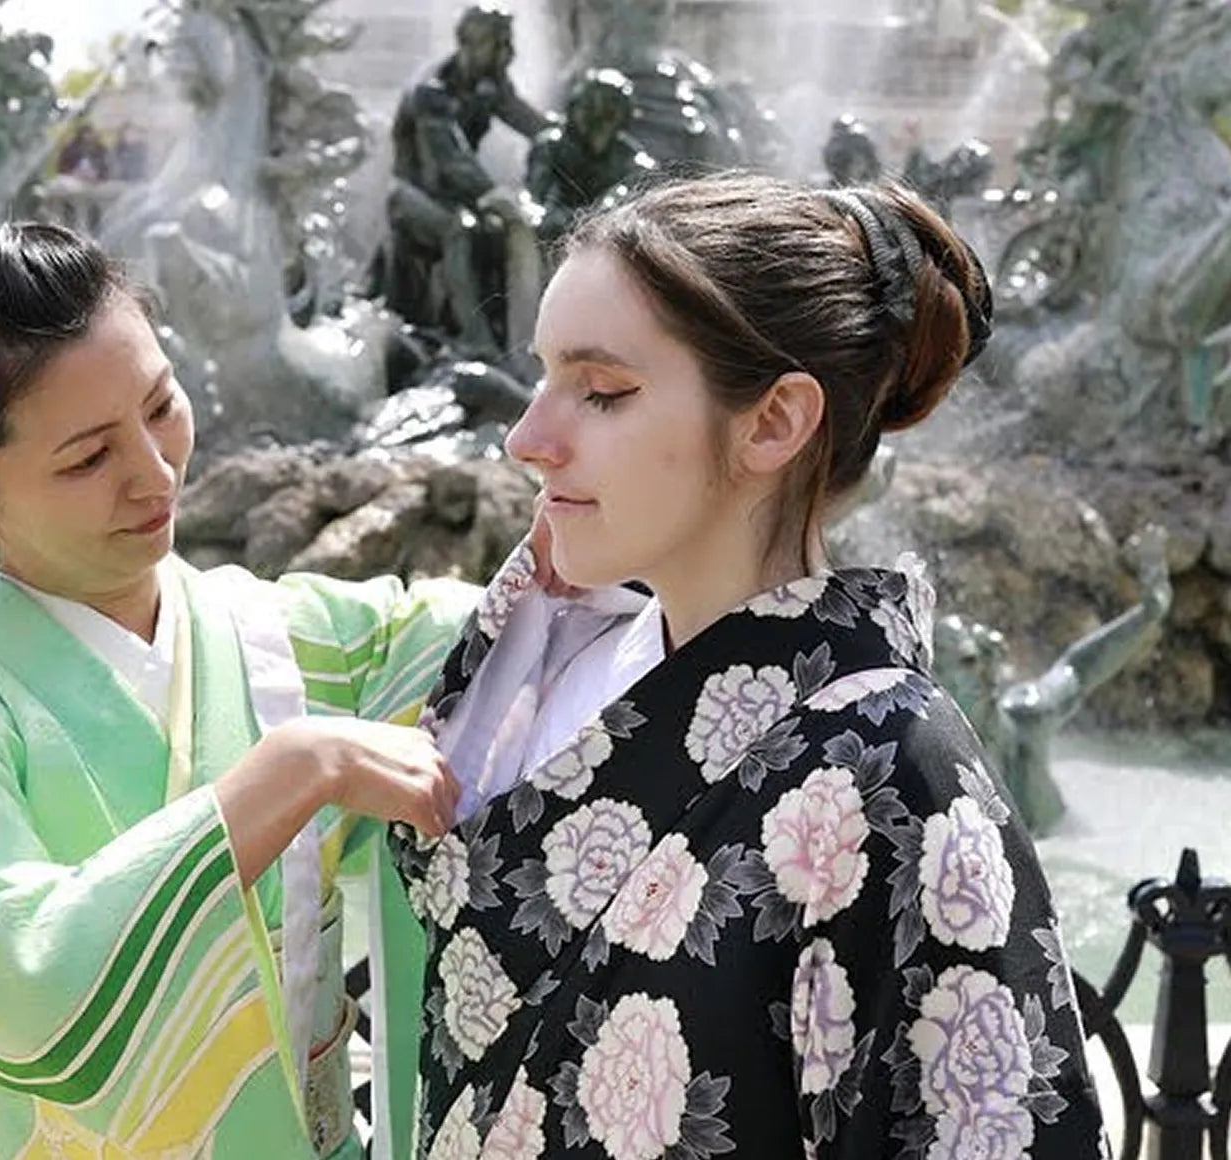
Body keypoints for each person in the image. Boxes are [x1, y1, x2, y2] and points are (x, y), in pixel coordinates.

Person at [390, 174, 1107, 1157]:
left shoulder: (893, 774)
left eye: (601, 392)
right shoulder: (544, 674)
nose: (527, 439)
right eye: (543, 378)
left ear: (772, 422)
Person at [0, 222, 483, 1160]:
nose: (155, 471)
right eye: (88, 459)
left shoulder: (295, 644)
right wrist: (290, 774)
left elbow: (514, 640)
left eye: (161, 404)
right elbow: (21, 991)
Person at [933, 522, 1172, 834]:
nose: (940, 680)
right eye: (933, 667)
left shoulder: (1030, 716)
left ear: (986, 671)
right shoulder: (926, 749)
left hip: (1067, 845)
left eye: (963, 663)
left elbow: (1079, 668)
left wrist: (1148, 613)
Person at [381, 2, 548, 354]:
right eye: (496, 43)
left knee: (501, 228)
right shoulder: (432, 92)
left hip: (455, 193)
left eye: (508, 43)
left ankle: (511, 334)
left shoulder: (489, 85)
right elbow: (450, 159)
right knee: (459, 228)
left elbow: (531, 124)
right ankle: (475, 337)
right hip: (411, 193)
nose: (507, 54)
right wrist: (495, 194)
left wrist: (567, 139)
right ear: (468, 43)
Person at [525, 69, 657, 246]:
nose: (597, 119)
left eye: (609, 111)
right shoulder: (551, 147)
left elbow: (632, 206)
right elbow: (534, 198)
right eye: (589, 108)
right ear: (574, 110)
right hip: (553, 229)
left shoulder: (631, 160)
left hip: (603, 235)